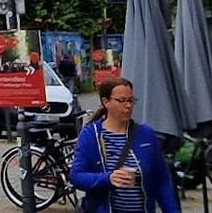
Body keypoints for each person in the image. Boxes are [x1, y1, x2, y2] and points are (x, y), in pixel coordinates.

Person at [69, 78, 179, 213]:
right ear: (106, 102)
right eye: (122, 101)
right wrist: (108, 179)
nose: (128, 106)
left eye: (131, 100)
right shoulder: (91, 135)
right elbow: (76, 176)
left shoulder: (146, 134)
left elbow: (162, 181)